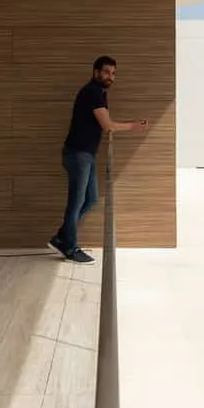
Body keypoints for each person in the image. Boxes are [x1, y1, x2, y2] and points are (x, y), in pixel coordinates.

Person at [49, 56, 148, 263]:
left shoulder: (99, 93)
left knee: (91, 199)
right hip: (78, 154)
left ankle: (62, 237)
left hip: (86, 155)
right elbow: (107, 125)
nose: (110, 77)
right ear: (96, 72)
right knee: (76, 203)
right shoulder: (93, 92)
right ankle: (70, 247)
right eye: (106, 72)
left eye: (113, 73)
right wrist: (134, 126)